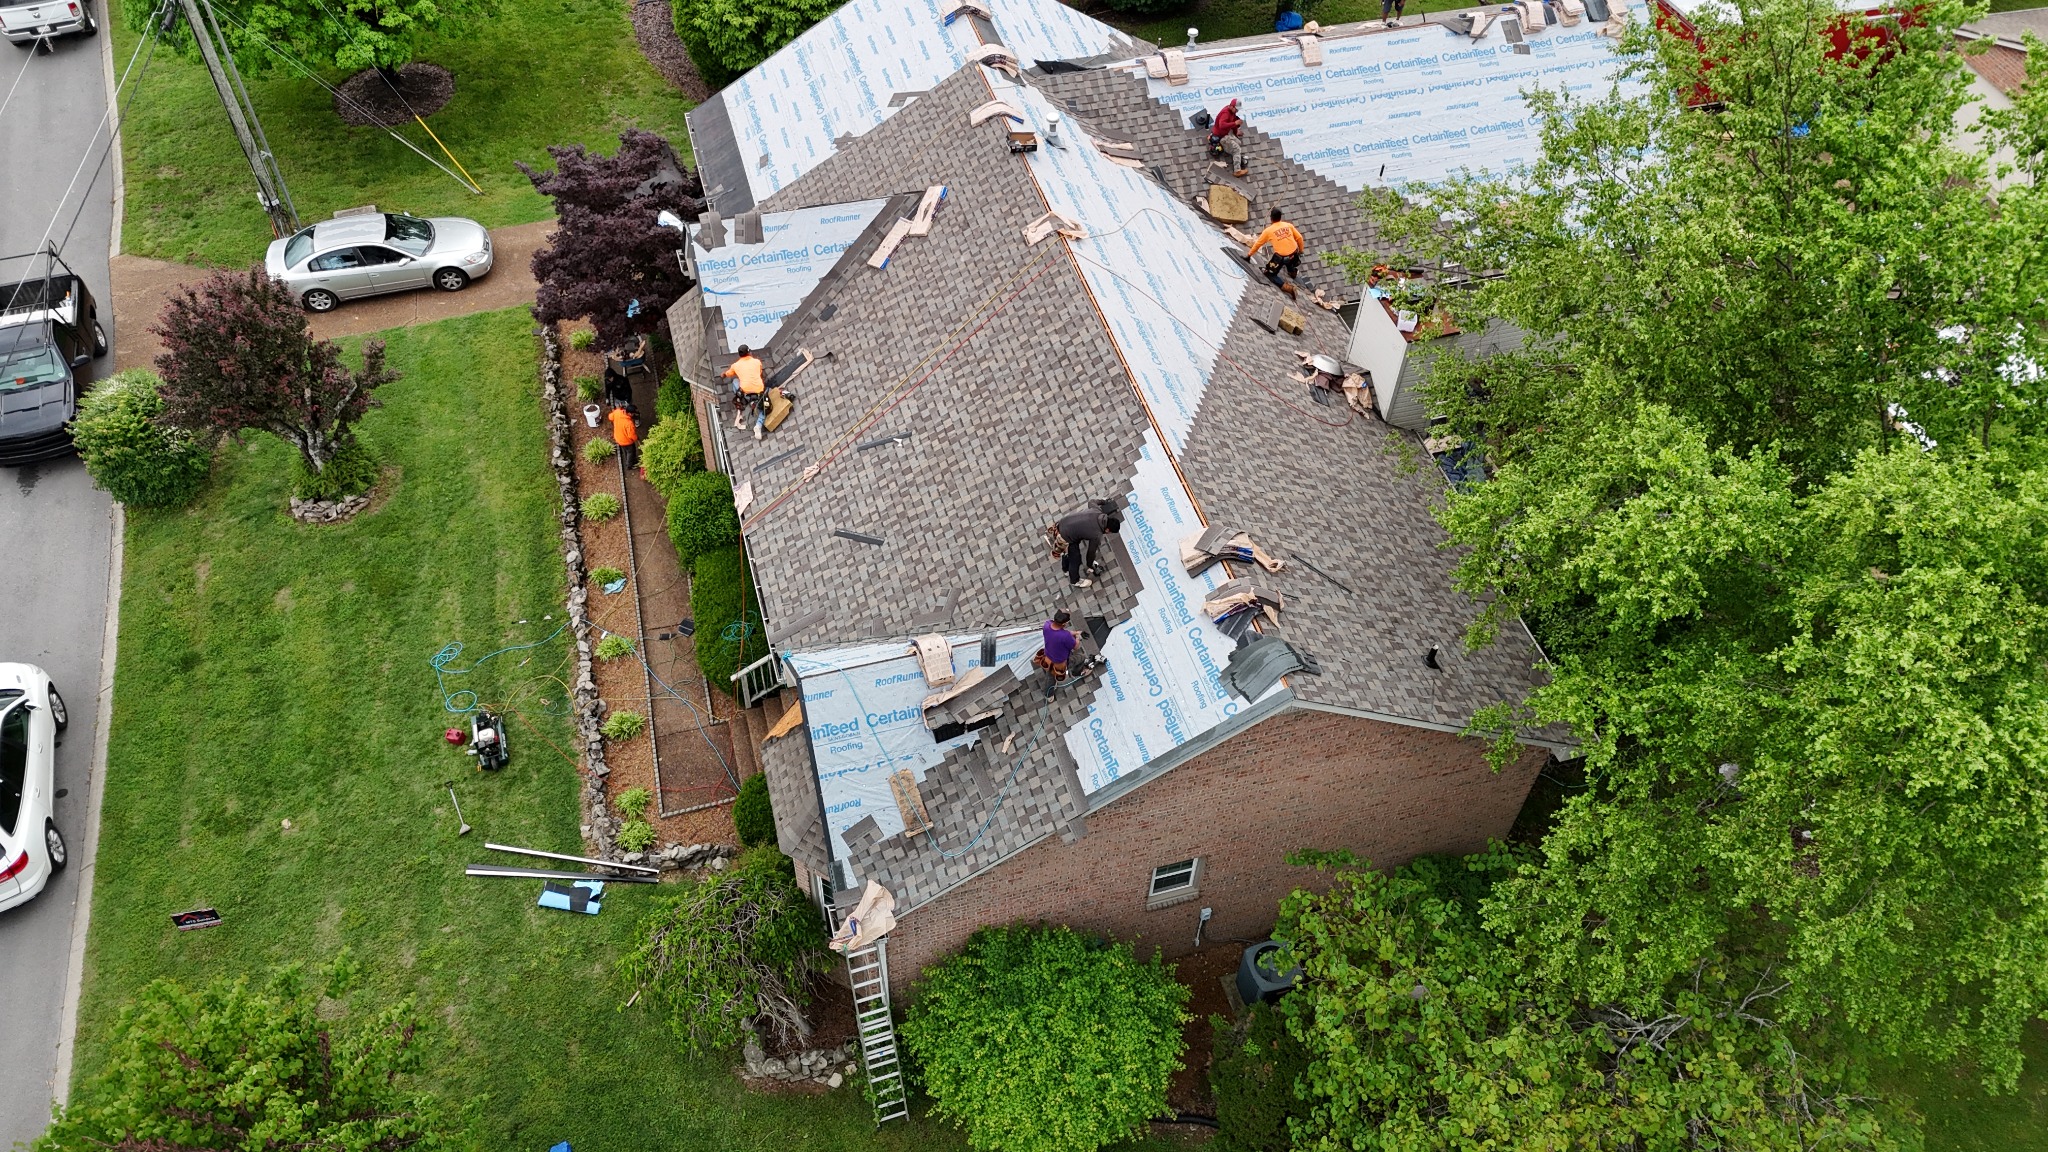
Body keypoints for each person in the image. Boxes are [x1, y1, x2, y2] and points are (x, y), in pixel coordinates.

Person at [1054, 500, 1122, 588]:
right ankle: (1075, 581)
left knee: (1069, 551)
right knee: (1076, 559)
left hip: (1062, 523)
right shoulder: (1096, 535)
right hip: (1065, 536)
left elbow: (1091, 501)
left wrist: (1104, 502)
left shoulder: (1097, 511)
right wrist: (1090, 565)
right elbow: (1091, 553)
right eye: (1109, 532)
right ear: (1108, 530)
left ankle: (1066, 568)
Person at [1247, 207, 1307, 298]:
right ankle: (1293, 272)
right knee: (1289, 260)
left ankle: (1289, 288)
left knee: (1269, 273)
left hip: (1281, 258)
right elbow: (1299, 238)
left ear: (1271, 218)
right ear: (1280, 217)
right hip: (1294, 253)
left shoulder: (1268, 231)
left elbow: (1258, 244)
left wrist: (1248, 255)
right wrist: (1301, 251)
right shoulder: (1288, 225)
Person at [722, 344, 768, 439]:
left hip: (746, 394)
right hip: (759, 393)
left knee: (735, 381)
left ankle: (746, 400)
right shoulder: (756, 362)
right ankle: (758, 426)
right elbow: (759, 373)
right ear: (749, 352)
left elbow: (728, 373)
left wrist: (723, 374)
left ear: (739, 355)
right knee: (764, 408)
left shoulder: (736, 365)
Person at [1033, 609, 1080, 684]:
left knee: (1050, 673)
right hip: (1059, 662)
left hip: (1047, 655)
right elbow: (1076, 647)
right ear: (1064, 624)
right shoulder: (1065, 636)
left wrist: (1075, 632)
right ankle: (1049, 694)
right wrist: (1078, 637)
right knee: (1080, 658)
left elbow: (1060, 633)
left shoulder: (1047, 625)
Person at [1208, 97, 1248, 178]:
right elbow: (1222, 125)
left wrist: (1236, 131)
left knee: (1239, 142)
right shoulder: (1225, 113)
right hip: (1221, 137)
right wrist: (1235, 123)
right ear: (1232, 106)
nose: (1237, 111)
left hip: (1226, 134)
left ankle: (1232, 152)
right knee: (1237, 149)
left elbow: (1233, 123)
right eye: (1236, 109)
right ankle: (1237, 171)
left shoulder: (1232, 113)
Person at [608, 401, 640, 470]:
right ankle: (630, 465)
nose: (634, 415)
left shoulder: (618, 412)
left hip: (618, 438)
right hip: (626, 441)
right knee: (631, 452)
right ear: (629, 413)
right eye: (633, 413)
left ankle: (628, 461)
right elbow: (631, 435)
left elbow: (610, 417)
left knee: (625, 450)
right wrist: (636, 438)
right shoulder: (629, 423)